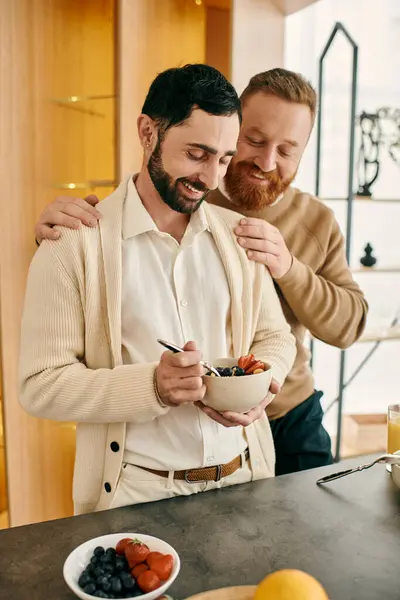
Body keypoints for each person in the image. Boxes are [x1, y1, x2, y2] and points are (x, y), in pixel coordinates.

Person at [34, 68, 368, 476]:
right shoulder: (172, 194)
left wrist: (288, 268)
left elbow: (341, 327)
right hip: (157, 453)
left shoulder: (310, 222)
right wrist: (66, 241)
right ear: (235, 125)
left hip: (286, 412)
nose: (266, 161)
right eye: (255, 141)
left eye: (287, 150)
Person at [20, 64, 296, 516]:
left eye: (224, 159)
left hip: (248, 482)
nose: (210, 177)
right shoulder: (70, 244)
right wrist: (152, 386)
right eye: (196, 153)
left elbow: (276, 339)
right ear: (148, 131)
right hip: (136, 499)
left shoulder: (241, 236)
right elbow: (40, 385)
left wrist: (264, 386)